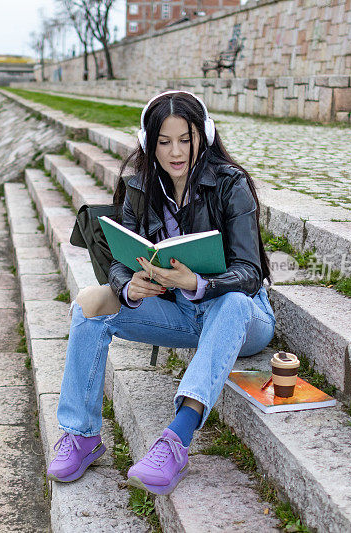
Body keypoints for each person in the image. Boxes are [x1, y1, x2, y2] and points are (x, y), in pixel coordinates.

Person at [46, 90, 276, 495]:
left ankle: (176, 439)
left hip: (241, 317)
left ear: (203, 135)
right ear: (148, 143)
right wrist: (128, 287)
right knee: (89, 305)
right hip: (183, 317)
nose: (176, 152)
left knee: (234, 301)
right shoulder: (139, 188)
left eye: (185, 140)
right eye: (164, 142)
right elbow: (121, 258)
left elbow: (250, 271)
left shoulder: (230, 184)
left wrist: (199, 283)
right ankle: (81, 435)